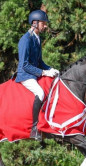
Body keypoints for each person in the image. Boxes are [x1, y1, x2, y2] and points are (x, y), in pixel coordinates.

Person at [15, 10, 59, 140]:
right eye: (43, 23)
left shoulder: (37, 38)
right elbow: (24, 65)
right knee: (40, 93)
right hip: (25, 75)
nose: (45, 26)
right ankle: (34, 129)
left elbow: (39, 62)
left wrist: (51, 69)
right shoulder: (25, 39)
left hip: (34, 74)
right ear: (35, 23)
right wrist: (44, 72)